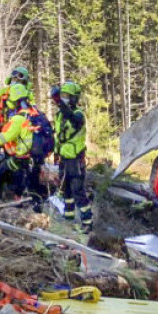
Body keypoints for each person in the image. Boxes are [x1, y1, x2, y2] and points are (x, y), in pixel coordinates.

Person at [0, 83, 40, 200]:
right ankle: (20, 196)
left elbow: (3, 138)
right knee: (18, 177)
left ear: (15, 100)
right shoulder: (33, 113)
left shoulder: (18, 119)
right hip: (32, 158)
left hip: (21, 159)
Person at [52, 82, 92, 231]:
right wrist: (56, 153)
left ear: (74, 98)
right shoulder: (59, 115)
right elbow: (59, 136)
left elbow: (74, 121)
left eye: (67, 96)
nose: (64, 99)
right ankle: (68, 217)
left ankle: (87, 223)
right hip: (64, 156)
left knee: (78, 191)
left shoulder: (78, 115)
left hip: (75, 159)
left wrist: (59, 102)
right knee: (66, 189)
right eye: (62, 96)